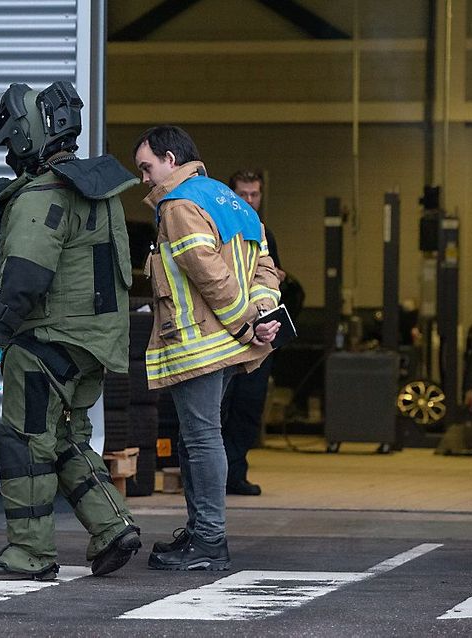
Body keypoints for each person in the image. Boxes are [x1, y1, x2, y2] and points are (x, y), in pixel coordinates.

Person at [0, 81, 141, 581]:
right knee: (63, 438)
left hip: (45, 342)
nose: (7, 153)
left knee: (24, 442)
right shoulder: (97, 189)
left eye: (8, 141)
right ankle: (112, 526)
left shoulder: (41, 194)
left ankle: (30, 553)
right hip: (95, 344)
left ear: (26, 134)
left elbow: (25, 274)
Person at [133, 126, 280, 571]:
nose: (143, 178)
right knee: (196, 437)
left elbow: (208, 273)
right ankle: (200, 536)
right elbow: (267, 270)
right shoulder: (230, 200)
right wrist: (260, 314)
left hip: (202, 344)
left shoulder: (179, 205)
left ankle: (209, 542)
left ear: (171, 160)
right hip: (227, 345)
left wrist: (245, 322)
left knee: (200, 439)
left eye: (146, 167)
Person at [219, 169, 284, 496]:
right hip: (226, 332)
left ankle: (236, 472)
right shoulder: (219, 228)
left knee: (248, 407)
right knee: (220, 407)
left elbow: (272, 279)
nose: (248, 200)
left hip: (258, 334)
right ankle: (216, 475)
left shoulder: (263, 234)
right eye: (242, 194)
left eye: (254, 195)